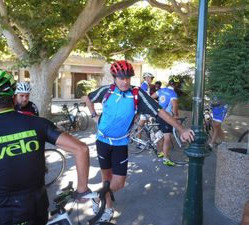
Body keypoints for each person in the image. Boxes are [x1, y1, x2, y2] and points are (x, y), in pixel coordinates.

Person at [0, 69, 90, 225]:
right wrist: (82, 189)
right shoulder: (39, 123)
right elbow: (81, 149)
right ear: (13, 98)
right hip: (36, 213)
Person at [82, 60, 194, 222]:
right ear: (114, 77)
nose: (125, 81)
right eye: (121, 78)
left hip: (120, 143)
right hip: (102, 141)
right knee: (106, 176)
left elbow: (160, 112)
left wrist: (181, 129)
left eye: (128, 78)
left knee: (119, 182)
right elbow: (87, 97)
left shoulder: (137, 94)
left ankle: (97, 196)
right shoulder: (107, 91)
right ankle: (108, 208)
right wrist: (94, 115)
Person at [151, 76, 180, 166]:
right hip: (167, 117)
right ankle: (166, 158)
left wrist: (157, 106)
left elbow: (151, 98)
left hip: (159, 115)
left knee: (161, 135)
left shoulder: (161, 90)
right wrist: (175, 116)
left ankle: (160, 152)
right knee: (167, 137)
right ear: (176, 85)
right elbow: (174, 106)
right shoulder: (173, 93)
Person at [137, 72, 157, 147]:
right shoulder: (144, 85)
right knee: (151, 123)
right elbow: (143, 97)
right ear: (147, 78)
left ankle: (140, 142)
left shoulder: (146, 85)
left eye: (152, 78)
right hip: (145, 108)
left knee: (142, 124)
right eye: (151, 78)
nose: (152, 80)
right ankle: (141, 143)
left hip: (144, 107)